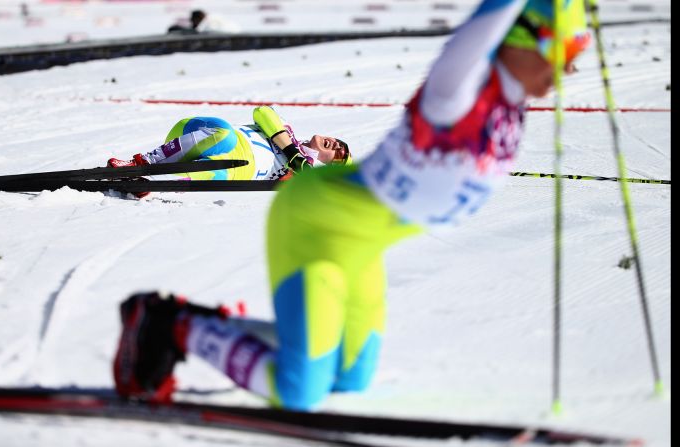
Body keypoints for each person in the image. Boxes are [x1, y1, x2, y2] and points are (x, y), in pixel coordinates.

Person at [113, 0, 592, 409]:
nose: (568, 66)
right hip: (315, 225)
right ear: (517, 37)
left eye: (577, 51)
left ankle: (223, 327)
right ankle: (168, 326)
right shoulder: (457, 91)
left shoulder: (511, 103)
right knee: (300, 389)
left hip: (362, 248)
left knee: (351, 376)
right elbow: (487, 20)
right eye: (561, 47)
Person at [106, 106, 351, 197]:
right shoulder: (287, 132)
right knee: (224, 133)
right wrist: (291, 152)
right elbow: (262, 112)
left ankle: (146, 182)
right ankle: (141, 162)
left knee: (216, 177)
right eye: (340, 142)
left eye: (340, 153)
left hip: (230, 169)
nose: (336, 144)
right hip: (197, 134)